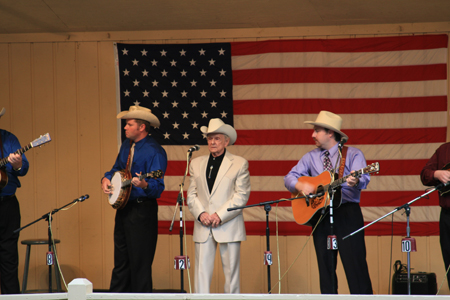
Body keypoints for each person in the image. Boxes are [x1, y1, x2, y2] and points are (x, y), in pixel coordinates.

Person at [284, 111, 372, 294]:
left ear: (330, 133)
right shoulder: (310, 157)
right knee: (325, 269)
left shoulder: (353, 154)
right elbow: (289, 178)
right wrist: (301, 184)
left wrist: (356, 181)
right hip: (321, 215)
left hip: (348, 213)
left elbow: (363, 178)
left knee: (355, 266)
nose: (313, 134)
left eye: (316, 130)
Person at [101, 105, 167, 293]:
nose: (125, 127)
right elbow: (116, 169)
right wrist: (106, 178)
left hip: (142, 211)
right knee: (121, 262)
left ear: (142, 127)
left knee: (140, 264)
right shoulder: (126, 145)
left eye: (129, 124)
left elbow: (158, 187)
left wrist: (145, 185)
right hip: (124, 209)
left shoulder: (155, 151)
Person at [187, 118, 250, 293]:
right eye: (209, 138)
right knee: (201, 276)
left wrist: (219, 215)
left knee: (232, 278)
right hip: (203, 224)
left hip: (228, 224)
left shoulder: (239, 163)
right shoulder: (196, 163)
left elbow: (241, 196)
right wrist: (201, 214)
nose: (212, 142)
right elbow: (191, 195)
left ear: (226, 141)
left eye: (217, 138)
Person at [0, 107, 29, 294]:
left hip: (6, 205)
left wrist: (18, 165)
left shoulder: (9, 139)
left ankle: (11, 297)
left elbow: (24, 168)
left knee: (8, 257)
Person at [420, 142, 450, 288]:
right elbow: (425, 174)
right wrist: (437, 174)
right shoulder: (444, 150)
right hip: (447, 215)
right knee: (449, 259)